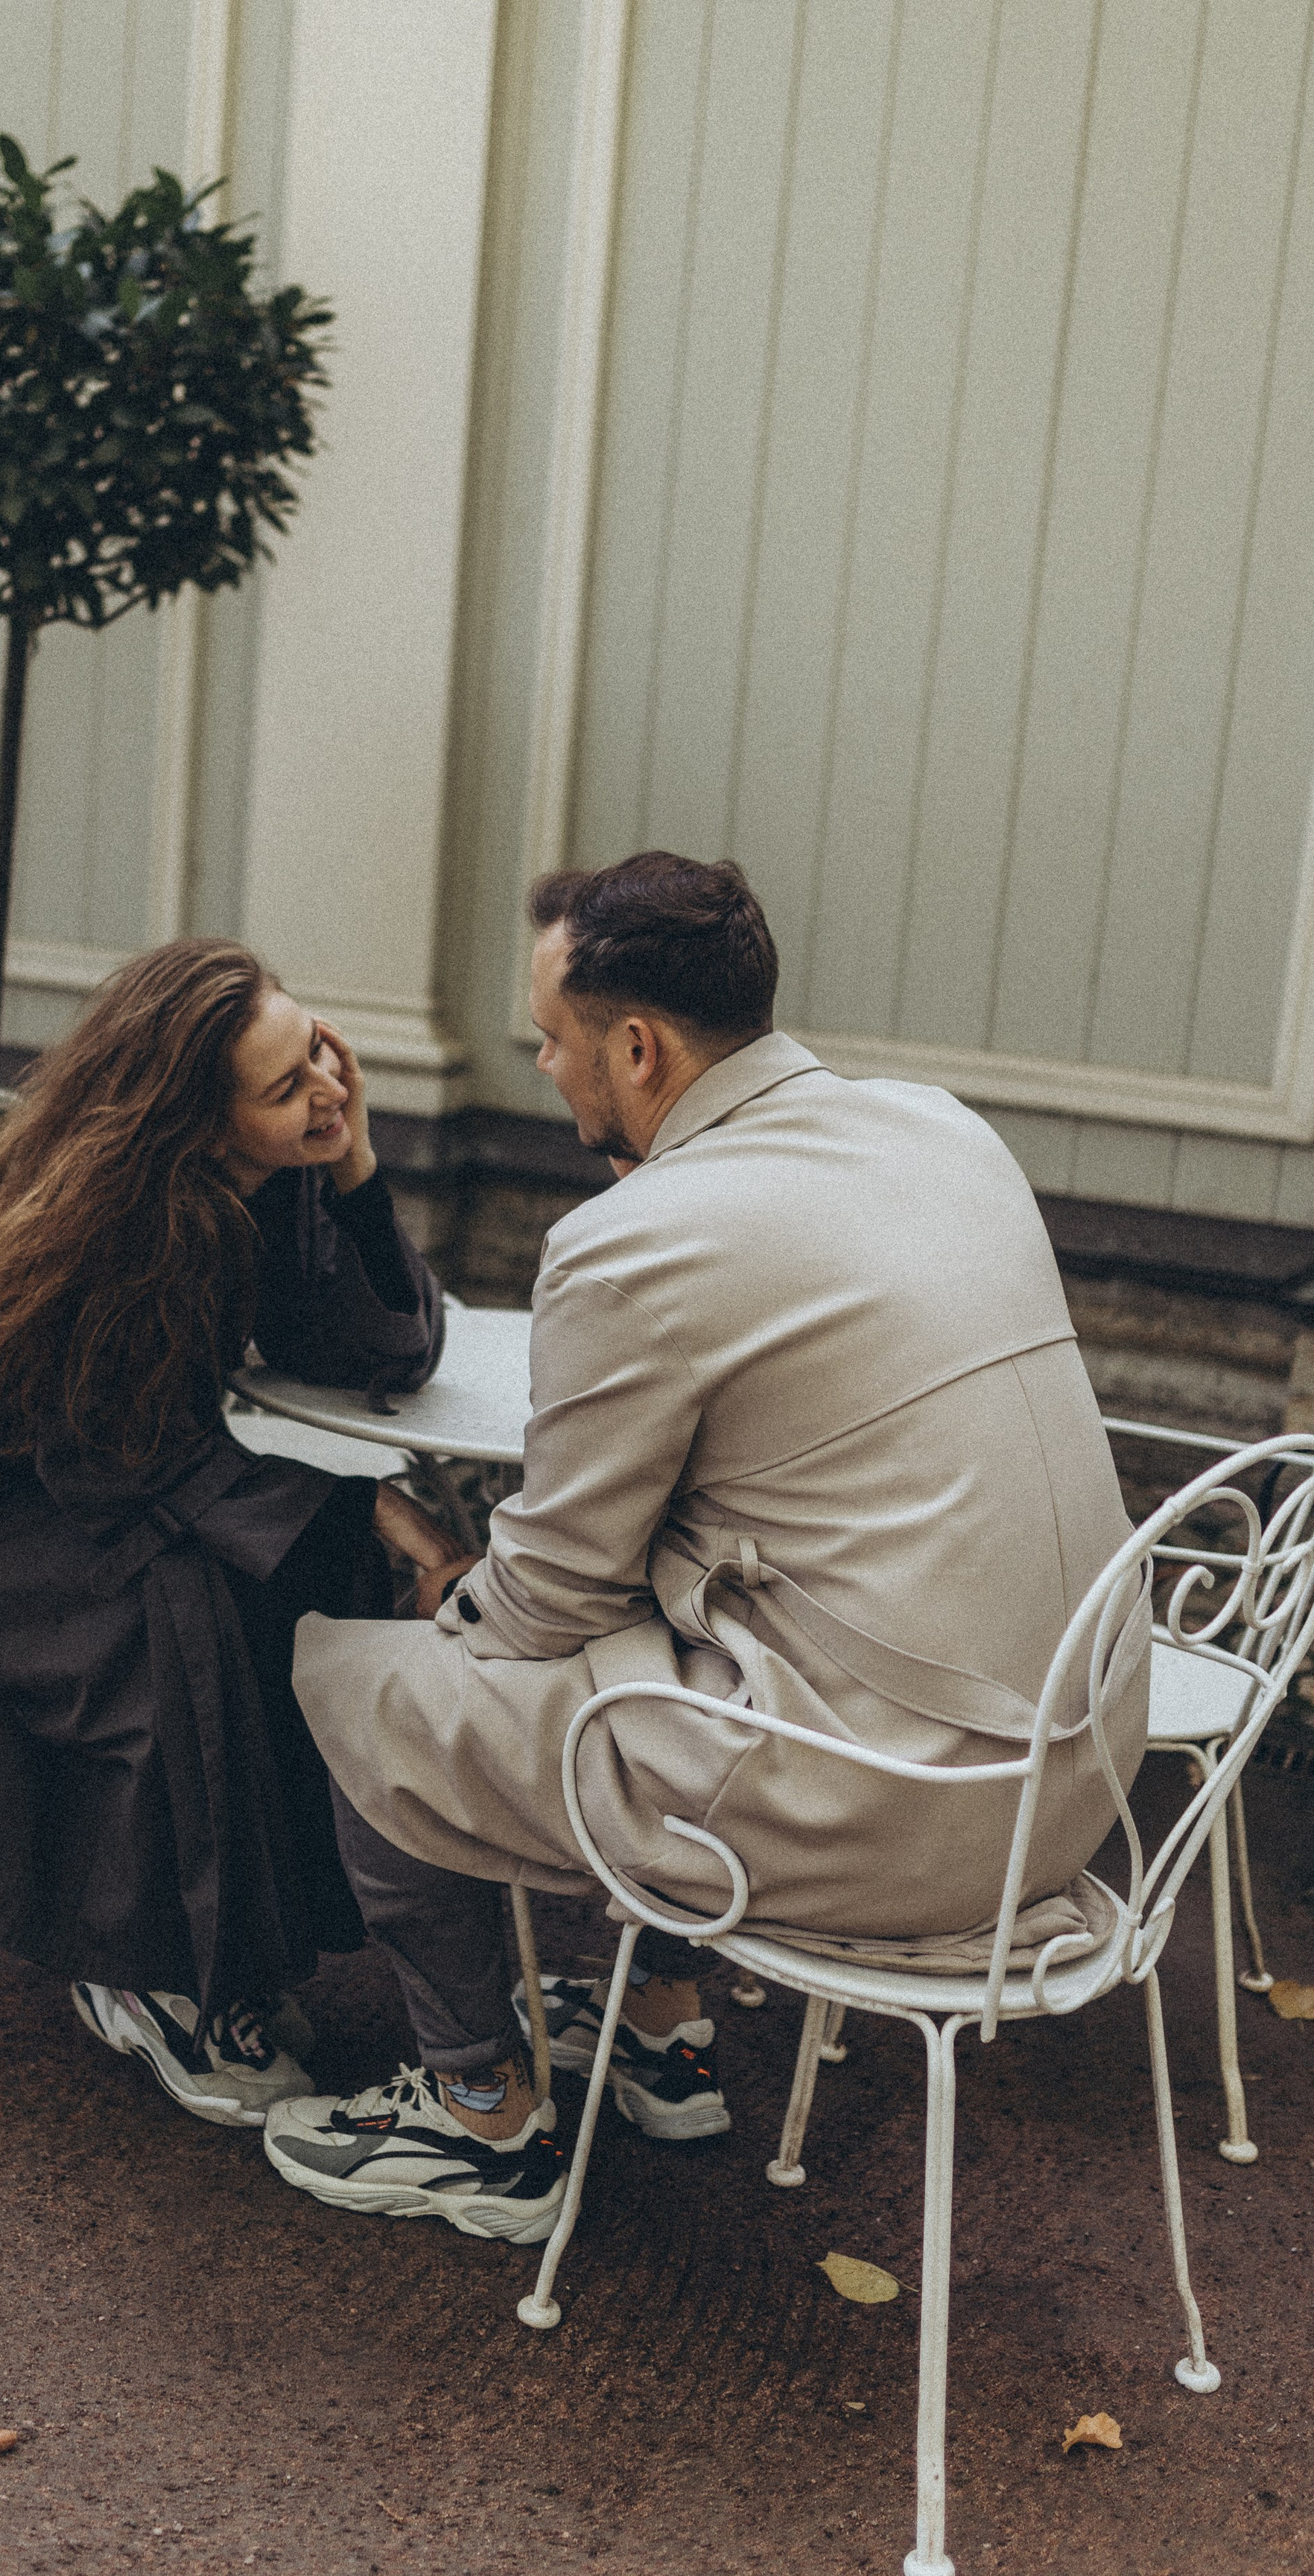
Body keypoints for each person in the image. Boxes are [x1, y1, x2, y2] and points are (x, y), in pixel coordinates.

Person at [264, 852, 1146, 2245]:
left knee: (361, 1680)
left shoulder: (636, 1238)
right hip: (1083, 1767)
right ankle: (657, 2022)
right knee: (669, 1621)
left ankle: (477, 2117)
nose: (543, 1067)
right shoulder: (942, 1128)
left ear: (638, 1047)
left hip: (904, 1815)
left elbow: (549, 1598)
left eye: (551, 1038)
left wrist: (448, 1591)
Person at [0, 939, 464, 2129]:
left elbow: (384, 1352)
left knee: (261, 1586)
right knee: (187, 1622)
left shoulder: (261, 1184)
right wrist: (375, 1511)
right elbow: (126, 1460)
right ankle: (148, 1978)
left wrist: (356, 1161)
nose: (325, 1087)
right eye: (287, 1086)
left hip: (79, 1482)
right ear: (202, 1125)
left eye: (319, 1052)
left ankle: (209, 1949)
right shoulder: (142, 1224)